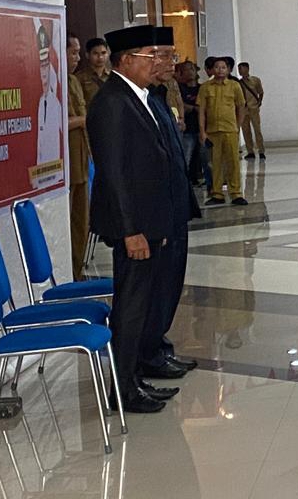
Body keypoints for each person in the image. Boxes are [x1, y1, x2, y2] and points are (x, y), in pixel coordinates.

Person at [86, 25, 177, 413]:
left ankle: (134, 378)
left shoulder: (137, 96)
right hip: (133, 226)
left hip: (148, 221)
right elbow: (115, 174)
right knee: (131, 306)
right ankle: (123, 390)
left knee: (141, 303)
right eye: (149, 56)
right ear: (125, 60)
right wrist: (130, 231)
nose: (157, 62)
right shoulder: (111, 102)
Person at [144, 29, 200, 390]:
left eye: (172, 56)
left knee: (170, 283)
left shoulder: (160, 95)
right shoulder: (132, 101)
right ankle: (149, 354)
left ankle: (159, 347)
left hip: (175, 205)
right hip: (156, 213)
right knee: (156, 288)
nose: (171, 63)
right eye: (164, 56)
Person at [199, 56, 248, 205]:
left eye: (223, 67)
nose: (220, 70)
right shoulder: (206, 87)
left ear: (228, 70)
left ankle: (236, 193)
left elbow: (241, 107)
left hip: (230, 130)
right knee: (215, 163)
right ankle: (217, 194)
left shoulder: (234, 86)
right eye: (217, 67)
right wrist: (202, 131)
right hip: (212, 131)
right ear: (212, 70)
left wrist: (237, 126)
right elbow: (202, 111)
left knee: (233, 162)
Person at [65, 34, 91, 279]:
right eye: (73, 52)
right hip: (65, 164)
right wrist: (85, 120)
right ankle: (69, 271)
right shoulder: (54, 80)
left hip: (81, 158)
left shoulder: (73, 81)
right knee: (67, 219)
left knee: (82, 221)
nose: (77, 58)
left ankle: (78, 268)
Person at [176, 61, 207, 187]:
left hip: (202, 129)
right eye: (186, 70)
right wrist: (194, 108)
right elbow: (179, 104)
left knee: (205, 159)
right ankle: (184, 184)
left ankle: (207, 182)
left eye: (192, 69)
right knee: (186, 158)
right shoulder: (179, 88)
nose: (190, 72)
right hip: (187, 130)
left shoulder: (202, 88)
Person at [35, 25, 63, 165]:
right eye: (42, 65)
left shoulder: (56, 101)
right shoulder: (40, 102)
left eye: (46, 64)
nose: (44, 72)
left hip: (57, 169)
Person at [237, 62, 266, 160]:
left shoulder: (255, 80)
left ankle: (261, 151)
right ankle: (250, 151)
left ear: (247, 69)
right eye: (239, 69)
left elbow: (260, 92)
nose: (240, 71)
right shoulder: (238, 83)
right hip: (244, 110)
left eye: (241, 68)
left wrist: (259, 102)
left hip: (253, 108)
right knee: (246, 131)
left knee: (257, 129)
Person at [76, 37, 111, 107]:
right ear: (87, 55)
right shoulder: (79, 78)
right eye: (95, 53)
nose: (100, 57)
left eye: (103, 53)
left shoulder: (113, 76)